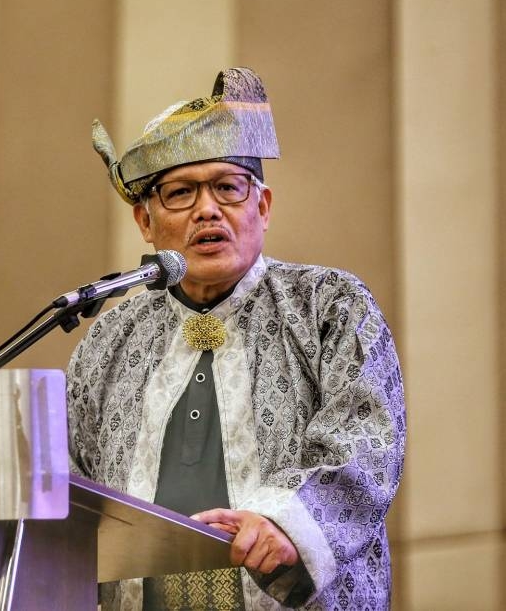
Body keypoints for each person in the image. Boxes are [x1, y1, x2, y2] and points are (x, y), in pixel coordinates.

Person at [67, 67, 405, 610]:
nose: (207, 209)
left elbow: (365, 443)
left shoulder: (329, 304)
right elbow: (73, 494)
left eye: (228, 187)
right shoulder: (108, 338)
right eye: (179, 193)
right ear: (145, 222)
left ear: (262, 207)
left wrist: (285, 524)